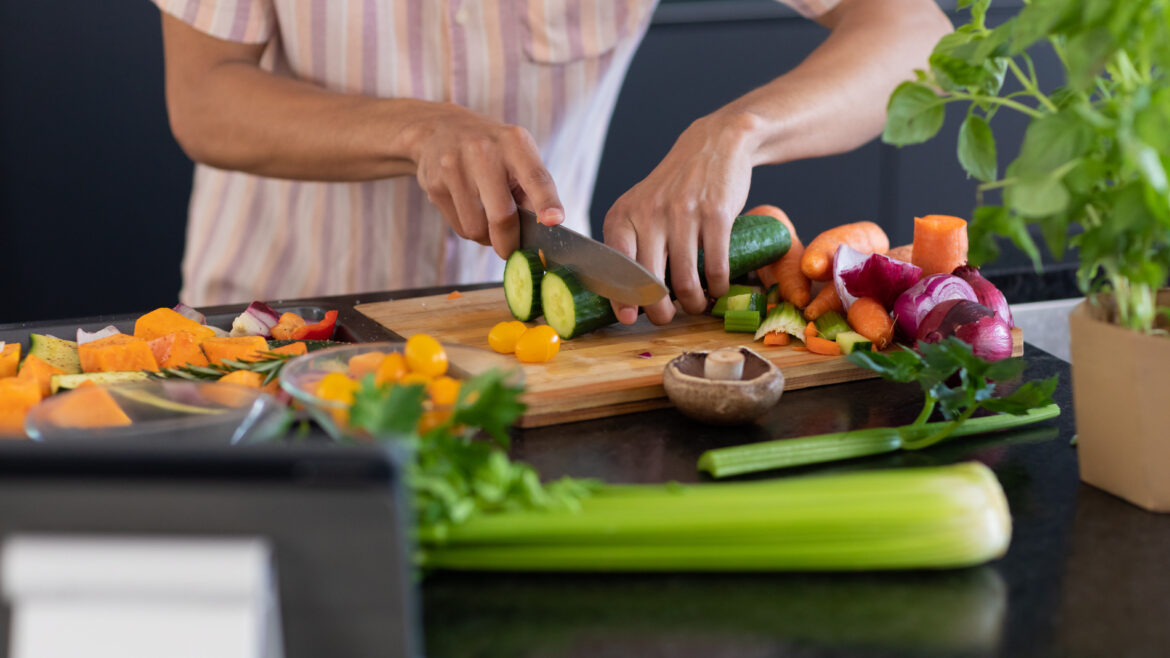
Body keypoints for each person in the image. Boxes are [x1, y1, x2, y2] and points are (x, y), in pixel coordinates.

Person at [153, 0, 950, 326]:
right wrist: (416, 129)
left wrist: (739, 131)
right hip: (273, 324)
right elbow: (203, 96)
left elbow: (918, 34)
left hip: (515, 339)